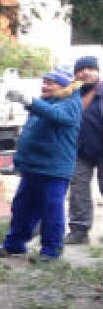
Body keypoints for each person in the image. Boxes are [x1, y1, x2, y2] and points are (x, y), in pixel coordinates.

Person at [0, 65, 83, 261]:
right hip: (33, 167)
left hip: (55, 170)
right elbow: (30, 132)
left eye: (50, 83)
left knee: (52, 210)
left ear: (64, 85)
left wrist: (29, 101)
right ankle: (14, 245)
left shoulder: (71, 103)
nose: (45, 85)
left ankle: (51, 251)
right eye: (44, 81)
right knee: (22, 207)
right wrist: (20, 160)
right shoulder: (46, 102)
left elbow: (56, 115)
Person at [66, 56, 102, 244]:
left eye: (90, 68)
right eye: (80, 69)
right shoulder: (72, 93)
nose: (85, 72)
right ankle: (79, 231)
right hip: (80, 150)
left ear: (97, 71)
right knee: (78, 190)